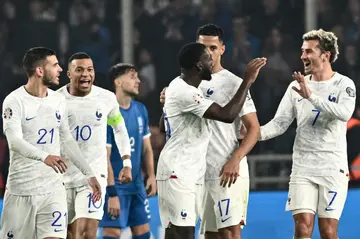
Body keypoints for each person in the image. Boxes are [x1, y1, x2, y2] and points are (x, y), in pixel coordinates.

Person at [160, 24, 261, 239]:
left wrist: (236, 159)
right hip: (196, 172)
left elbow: (254, 129)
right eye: (203, 49)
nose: (209, 54)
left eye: (213, 48)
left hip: (226, 171)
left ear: (223, 49)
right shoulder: (189, 83)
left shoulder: (233, 83)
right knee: (210, 235)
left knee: (229, 233)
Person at [259, 29, 356, 239]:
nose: (303, 56)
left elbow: (344, 113)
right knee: (302, 228)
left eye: (309, 51)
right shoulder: (296, 86)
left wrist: (311, 97)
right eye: (303, 51)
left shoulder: (344, 84)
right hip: (303, 166)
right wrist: (252, 134)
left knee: (328, 232)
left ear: (325, 55)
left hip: (332, 167)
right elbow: (279, 123)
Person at [0, 47, 101, 239]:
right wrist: (44, 156)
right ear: (39, 71)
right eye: (55, 65)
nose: (60, 69)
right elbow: (14, 141)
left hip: (53, 190)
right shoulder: (14, 101)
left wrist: (89, 174)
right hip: (21, 191)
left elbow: (66, 139)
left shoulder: (58, 100)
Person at [57, 52, 132, 239]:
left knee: (85, 234)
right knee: (69, 234)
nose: (85, 74)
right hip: (61, 178)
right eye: (79, 70)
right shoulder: (56, 100)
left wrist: (126, 163)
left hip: (93, 177)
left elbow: (120, 129)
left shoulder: (106, 98)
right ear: (69, 74)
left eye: (90, 70)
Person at [99, 63, 156, 239]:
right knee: (112, 233)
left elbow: (146, 147)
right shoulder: (107, 113)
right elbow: (104, 156)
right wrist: (111, 193)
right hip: (116, 186)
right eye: (132, 77)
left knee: (143, 232)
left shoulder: (140, 109)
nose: (138, 81)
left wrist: (152, 175)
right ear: (118, 82)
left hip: (137, 185)